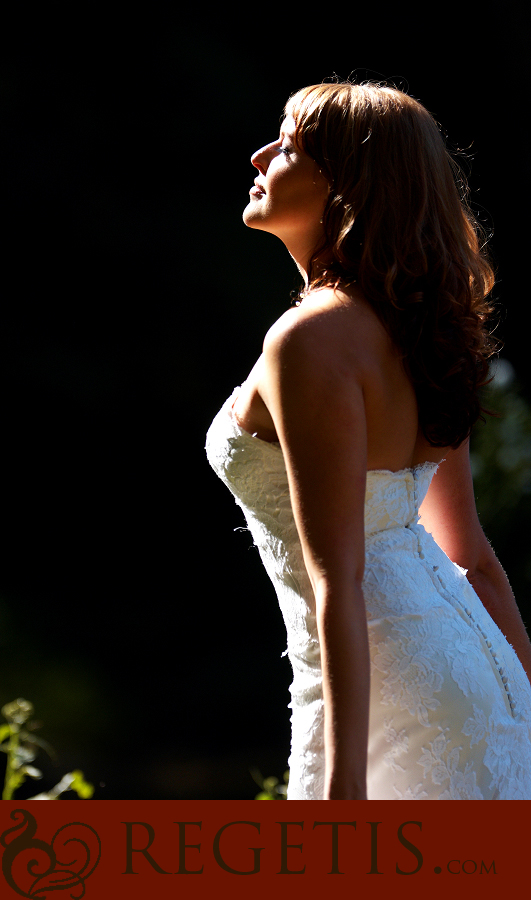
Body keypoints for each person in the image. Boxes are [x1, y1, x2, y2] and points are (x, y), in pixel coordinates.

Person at [205, 81, 531, 799]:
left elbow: (339, 583)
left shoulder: (308, 339)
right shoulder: (422, 331)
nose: (260, 155)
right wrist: (520, 700)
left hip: (386, 692)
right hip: (477, 675)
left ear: (343, 185)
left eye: (287, 145)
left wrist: (340, 793)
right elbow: (471, 558)